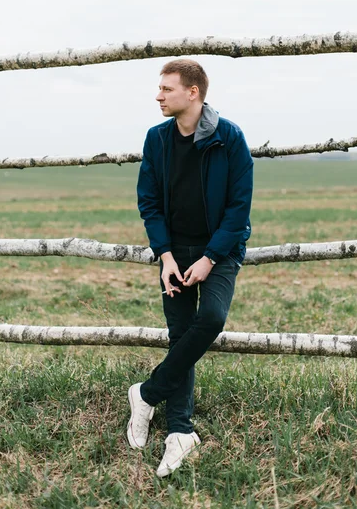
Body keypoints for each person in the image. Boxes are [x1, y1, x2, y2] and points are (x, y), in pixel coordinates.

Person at [127, 58, 253, 477]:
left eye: (166, 88)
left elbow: (238, 208)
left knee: (212, 317)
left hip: (221, 249)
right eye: (159, 88)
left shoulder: (229, 138)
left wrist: (210, 258)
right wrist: (166, 258)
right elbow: (149, 202)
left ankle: (146, 394)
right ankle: (179, 432)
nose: (158, 95)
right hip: (174, 252)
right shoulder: (157, 139)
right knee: (180, 334)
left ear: (193, 92)